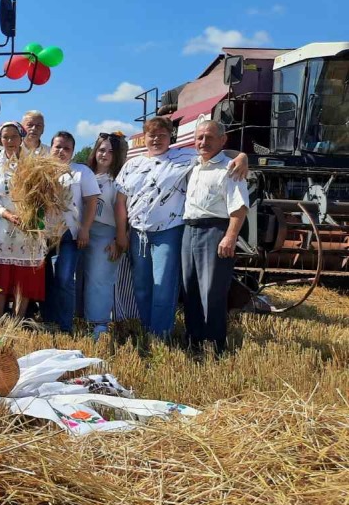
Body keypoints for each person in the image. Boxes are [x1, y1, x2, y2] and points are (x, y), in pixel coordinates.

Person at [114, 116, 248, 338]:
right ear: (144, 138)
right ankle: (147, 329)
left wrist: (243, 157)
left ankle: (160, 335)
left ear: (171, 138)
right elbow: (120, 201)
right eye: (151, 135)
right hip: (138, 233)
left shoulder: (184, 157)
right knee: (142, 286)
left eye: (162, 135)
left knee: (164, 286)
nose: (156, 139)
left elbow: (217, 154)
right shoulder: (132, 164)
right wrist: (122, 232)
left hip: (169, 232)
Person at [181, 120, 248, 354]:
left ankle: (214, 345)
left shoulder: (231, 169)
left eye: (209, 137)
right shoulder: (192, 165)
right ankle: (193, 341)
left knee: (212, 291)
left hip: (215, 230)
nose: (203, 142)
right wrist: (243, 154)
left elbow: (239, 208)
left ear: (223, 139)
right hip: (188, 230)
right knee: (189, 289)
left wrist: (230, 237)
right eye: (199, 137)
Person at [0, 121, 48, 316]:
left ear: (21, 138)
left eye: (14, 136)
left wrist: (30, 215)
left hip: (26, 227)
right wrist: (7, 214)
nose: (9, 141)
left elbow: (41, 194)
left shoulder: (33, 162)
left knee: (22, 277)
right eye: (5, 137)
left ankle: (17, 321)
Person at [46, 131, 99, 333]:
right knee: (46, 280)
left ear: (73, 151)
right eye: (58, 147)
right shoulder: (41, 170)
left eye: (66, 148)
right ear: (51, 148)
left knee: (64, 278)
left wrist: (85, 229)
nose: (61, 151)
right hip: (44, 233)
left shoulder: (81, 172)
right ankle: (48, 320)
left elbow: (91, 202)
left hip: (70, 233)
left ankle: (65, 325)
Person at [81, 132, 129, 337]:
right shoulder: (84, 175)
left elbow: (125, 211)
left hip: (106, 232)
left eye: (111, 151)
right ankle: (79, 319)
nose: (105, 154)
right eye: (101, 150)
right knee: (80, 278)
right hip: (81, 231)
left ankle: (99, 323)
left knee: (100, 279)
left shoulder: (120, 180)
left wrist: (118, 238)